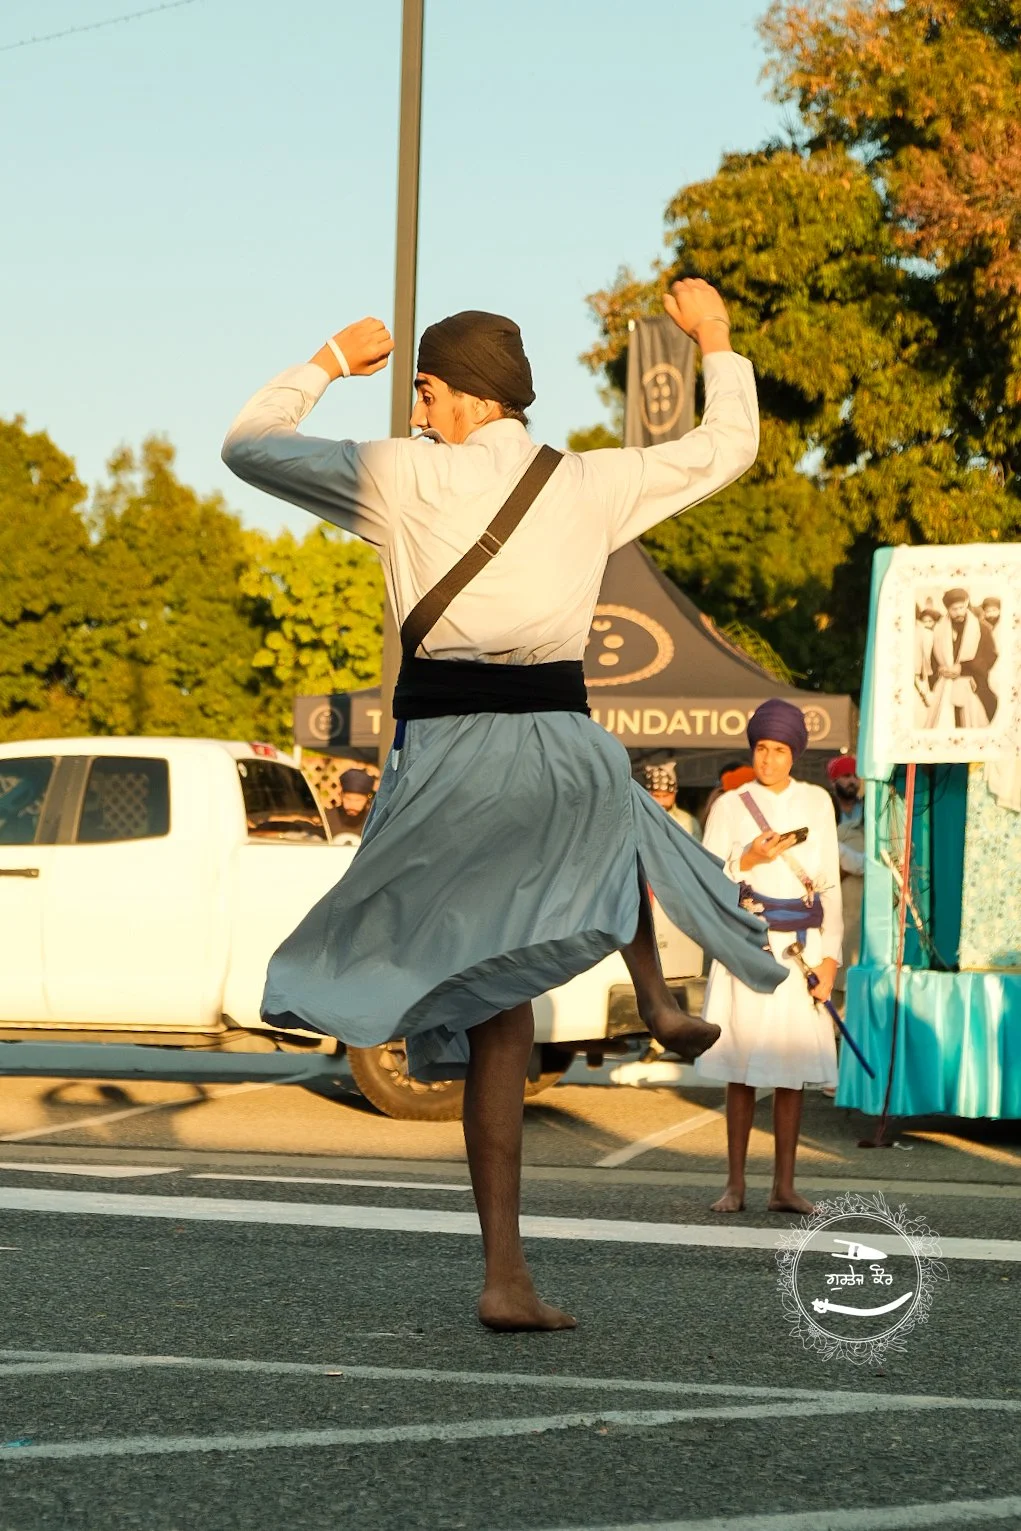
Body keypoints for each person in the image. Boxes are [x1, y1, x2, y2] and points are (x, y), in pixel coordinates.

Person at [222, 280, 783, 1331]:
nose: (416, 410)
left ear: (465, 395)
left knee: (491, 1003)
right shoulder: (590, 482)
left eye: (425, 391)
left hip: (445, 755)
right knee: (614, 814)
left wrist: (327, 361)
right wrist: (710, 335)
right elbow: (727, 445)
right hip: (562, 743)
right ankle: (655, 999)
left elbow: (248, 446)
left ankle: (506, 1269)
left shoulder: (399, 474)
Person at [695, 698, 842, 1216]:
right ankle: (734, 1184)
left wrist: (831, 962)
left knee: (790, 1071)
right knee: (741, 1067)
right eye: (762, 748)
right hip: (747, 945)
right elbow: (709, 881)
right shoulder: (729, 805)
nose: (769, 758)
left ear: (793, 753)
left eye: (779, 750)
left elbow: (829, 889)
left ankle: (784, 1185)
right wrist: (748, 859)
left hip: (802, 948)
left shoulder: (817, 802)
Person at [926, 588, 998, 728]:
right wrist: (941, 669)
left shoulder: (982, 628)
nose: (959, 612)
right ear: (947, 609)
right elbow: (933, 657)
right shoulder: (939, 629)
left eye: (961, 607)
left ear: (966, 604)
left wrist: (963, 668)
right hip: (945, 684)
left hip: (973, 683)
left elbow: (989, 656)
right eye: (954, 609)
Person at [640, 760, 701, 840]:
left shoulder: (688, 821)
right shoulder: (639, 819)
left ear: (674, 794)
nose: (661, 802)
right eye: (656, 796)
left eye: (665, 796)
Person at [326, 767, 375, 840]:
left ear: (367, 799)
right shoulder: (327, 818)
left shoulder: (374, 821)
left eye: (358, 800)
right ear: (341, 796)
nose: (352, 804)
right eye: (348, 799)